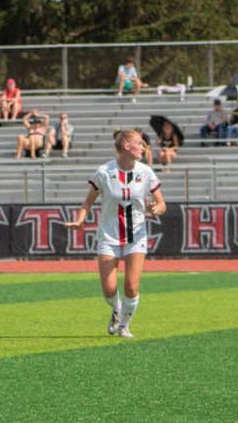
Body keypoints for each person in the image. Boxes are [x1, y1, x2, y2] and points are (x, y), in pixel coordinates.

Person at [64, 129, 165, 339]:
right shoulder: (104, 172)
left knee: (131, 285)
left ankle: (124, 326)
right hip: (109, 236)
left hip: (136, 236)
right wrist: (80, 220)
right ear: (127, 147)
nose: (144, 147)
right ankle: (117, 309)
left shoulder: (146, 172)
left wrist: (156, 209)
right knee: (109, 290)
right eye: (140, 143)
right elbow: (88, 202)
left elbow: (162, 203)